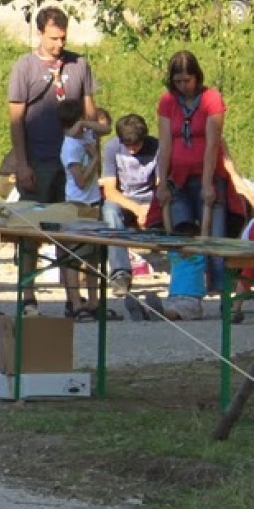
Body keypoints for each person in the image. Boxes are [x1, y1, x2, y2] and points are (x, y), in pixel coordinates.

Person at [7, 7, 107, 298]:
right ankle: (27, 295)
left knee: (73, 230)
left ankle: (74, 298)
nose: (58, 45)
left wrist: (93, 152)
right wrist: (22, 164)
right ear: (40, 33)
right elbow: (16, 120)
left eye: (63, 38)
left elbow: (90, 110)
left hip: (73, 160)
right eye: (53, 38)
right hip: (39, 158)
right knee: (33, 230)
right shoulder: (24, 67)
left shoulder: (78, 64)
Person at [156, 49, 228, 294]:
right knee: (182, 235)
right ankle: (186, 287)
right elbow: (164, 144)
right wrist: (162, 182)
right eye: (177, 81)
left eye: (187, 80)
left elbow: (212, 144)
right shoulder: (167, 101)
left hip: (207, 173)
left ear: (196, 77)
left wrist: (208, 183)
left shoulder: (211, 99)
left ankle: (218, 290)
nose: (183, 86)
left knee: (213, 238)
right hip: (177, 176)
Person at [57, 98, 117, 321]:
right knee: (75, 257)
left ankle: (93, 301)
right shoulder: (70, 147)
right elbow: (81, 181)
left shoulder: (86, 136)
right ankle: (75, 302)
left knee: (93, 256)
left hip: (93, 205)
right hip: (77, 205)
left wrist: (86, 125)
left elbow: (107, 127)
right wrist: (94, 158)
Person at [99, 113, 158, 296]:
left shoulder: (157, 147)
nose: (132, 150)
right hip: (123, 199)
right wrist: (137, 209)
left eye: (136, 145)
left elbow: (161, 185)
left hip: (151, 199)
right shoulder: (112, 147)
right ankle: (121, 274)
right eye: (127, 145)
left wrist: (150, 208)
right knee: (109, 210)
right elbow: (110, 190)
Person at [127, 222, 211, 321]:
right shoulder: (174, 254)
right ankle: (145, 313)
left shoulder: (199, 256)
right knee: (167, 307)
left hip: (192, 300)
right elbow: (169, 232)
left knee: (175, 311)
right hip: (172, 298)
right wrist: (165, 207)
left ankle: (155, 314)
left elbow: (205, 230)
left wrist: (208, 208)